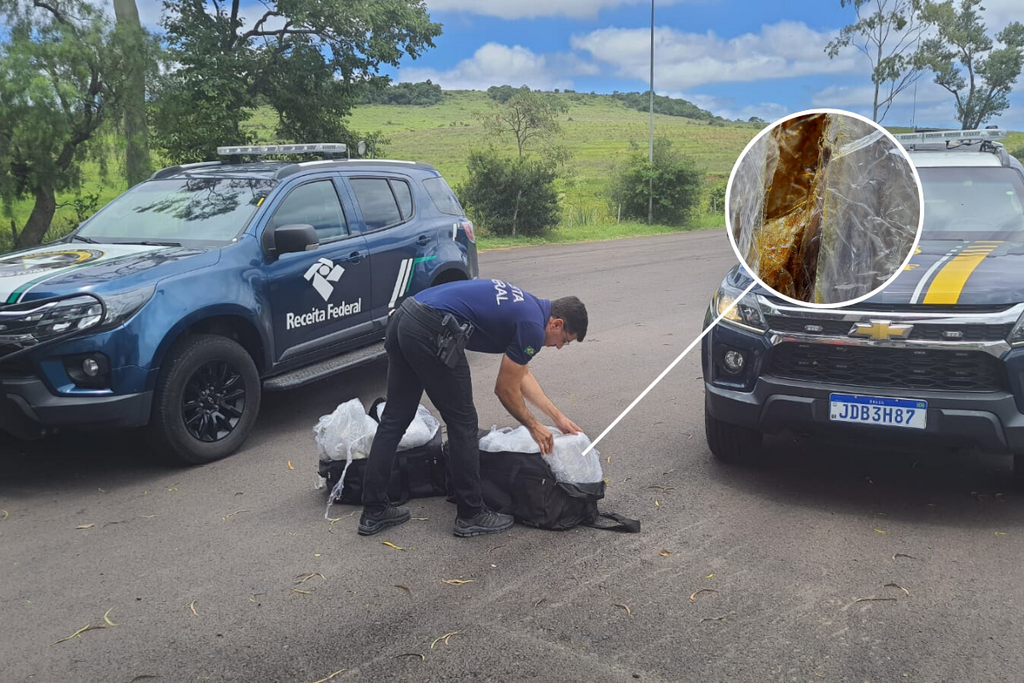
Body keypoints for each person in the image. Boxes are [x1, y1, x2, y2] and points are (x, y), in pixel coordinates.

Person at [358, 278, 588, 538]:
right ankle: (471, 513)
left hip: (406, 316)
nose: (558, 347)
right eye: (564, 341)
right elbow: (505, 389)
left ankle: (374, 510)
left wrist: (557, 418)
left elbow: (520, 374)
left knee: (395, 418)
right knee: (463, 423)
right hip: (431, 327)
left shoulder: (529, 308)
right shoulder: (533, 326)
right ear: (556, 323)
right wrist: (533, 426)